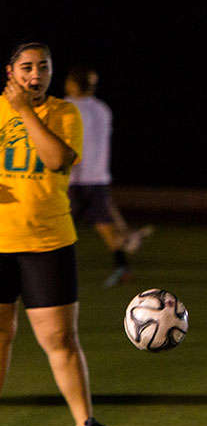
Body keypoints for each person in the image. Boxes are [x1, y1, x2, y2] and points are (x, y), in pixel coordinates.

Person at [0, 41, 122, 426]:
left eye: (43, 67)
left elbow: (56, 159)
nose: (35, 74)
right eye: (27, 67)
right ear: (10, 71)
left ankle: (85, 424)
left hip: (47, 242)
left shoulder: (64, 112)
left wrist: (23, 112)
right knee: (0, 335)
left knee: (60, 339)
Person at [64, 64, 153, 288]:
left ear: (74, 83)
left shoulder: (65, 107)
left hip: (73, 178)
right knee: (105, 226)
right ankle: (123, 266)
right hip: (99, 178)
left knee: (58, 226)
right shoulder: (103, 109)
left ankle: (51, 271)